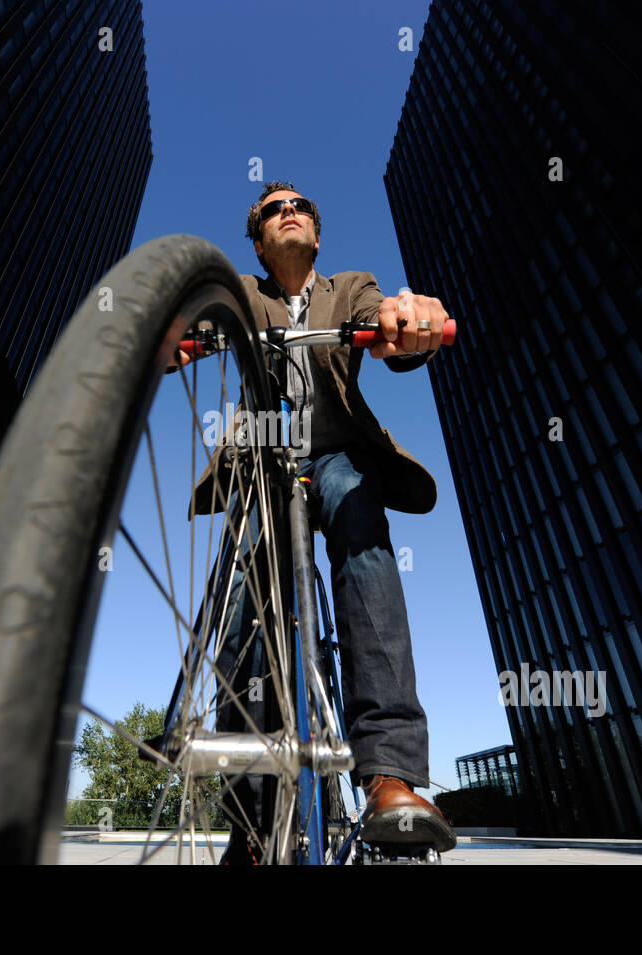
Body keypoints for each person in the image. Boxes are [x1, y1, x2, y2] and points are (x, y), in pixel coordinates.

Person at [176, 182, 458, 863]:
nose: (289, 212)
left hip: (337, 452)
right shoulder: (245, 291)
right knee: (243, 602)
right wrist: (170, 336)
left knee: (360, 523)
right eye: (274, 209)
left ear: (317, 236)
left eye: (299, 206)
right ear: (260, 240)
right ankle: (248, 822)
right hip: (262, 462)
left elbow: (390, 327)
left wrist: (411, 322)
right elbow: (201, 325)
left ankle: (389, 774)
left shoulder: (350, 286)